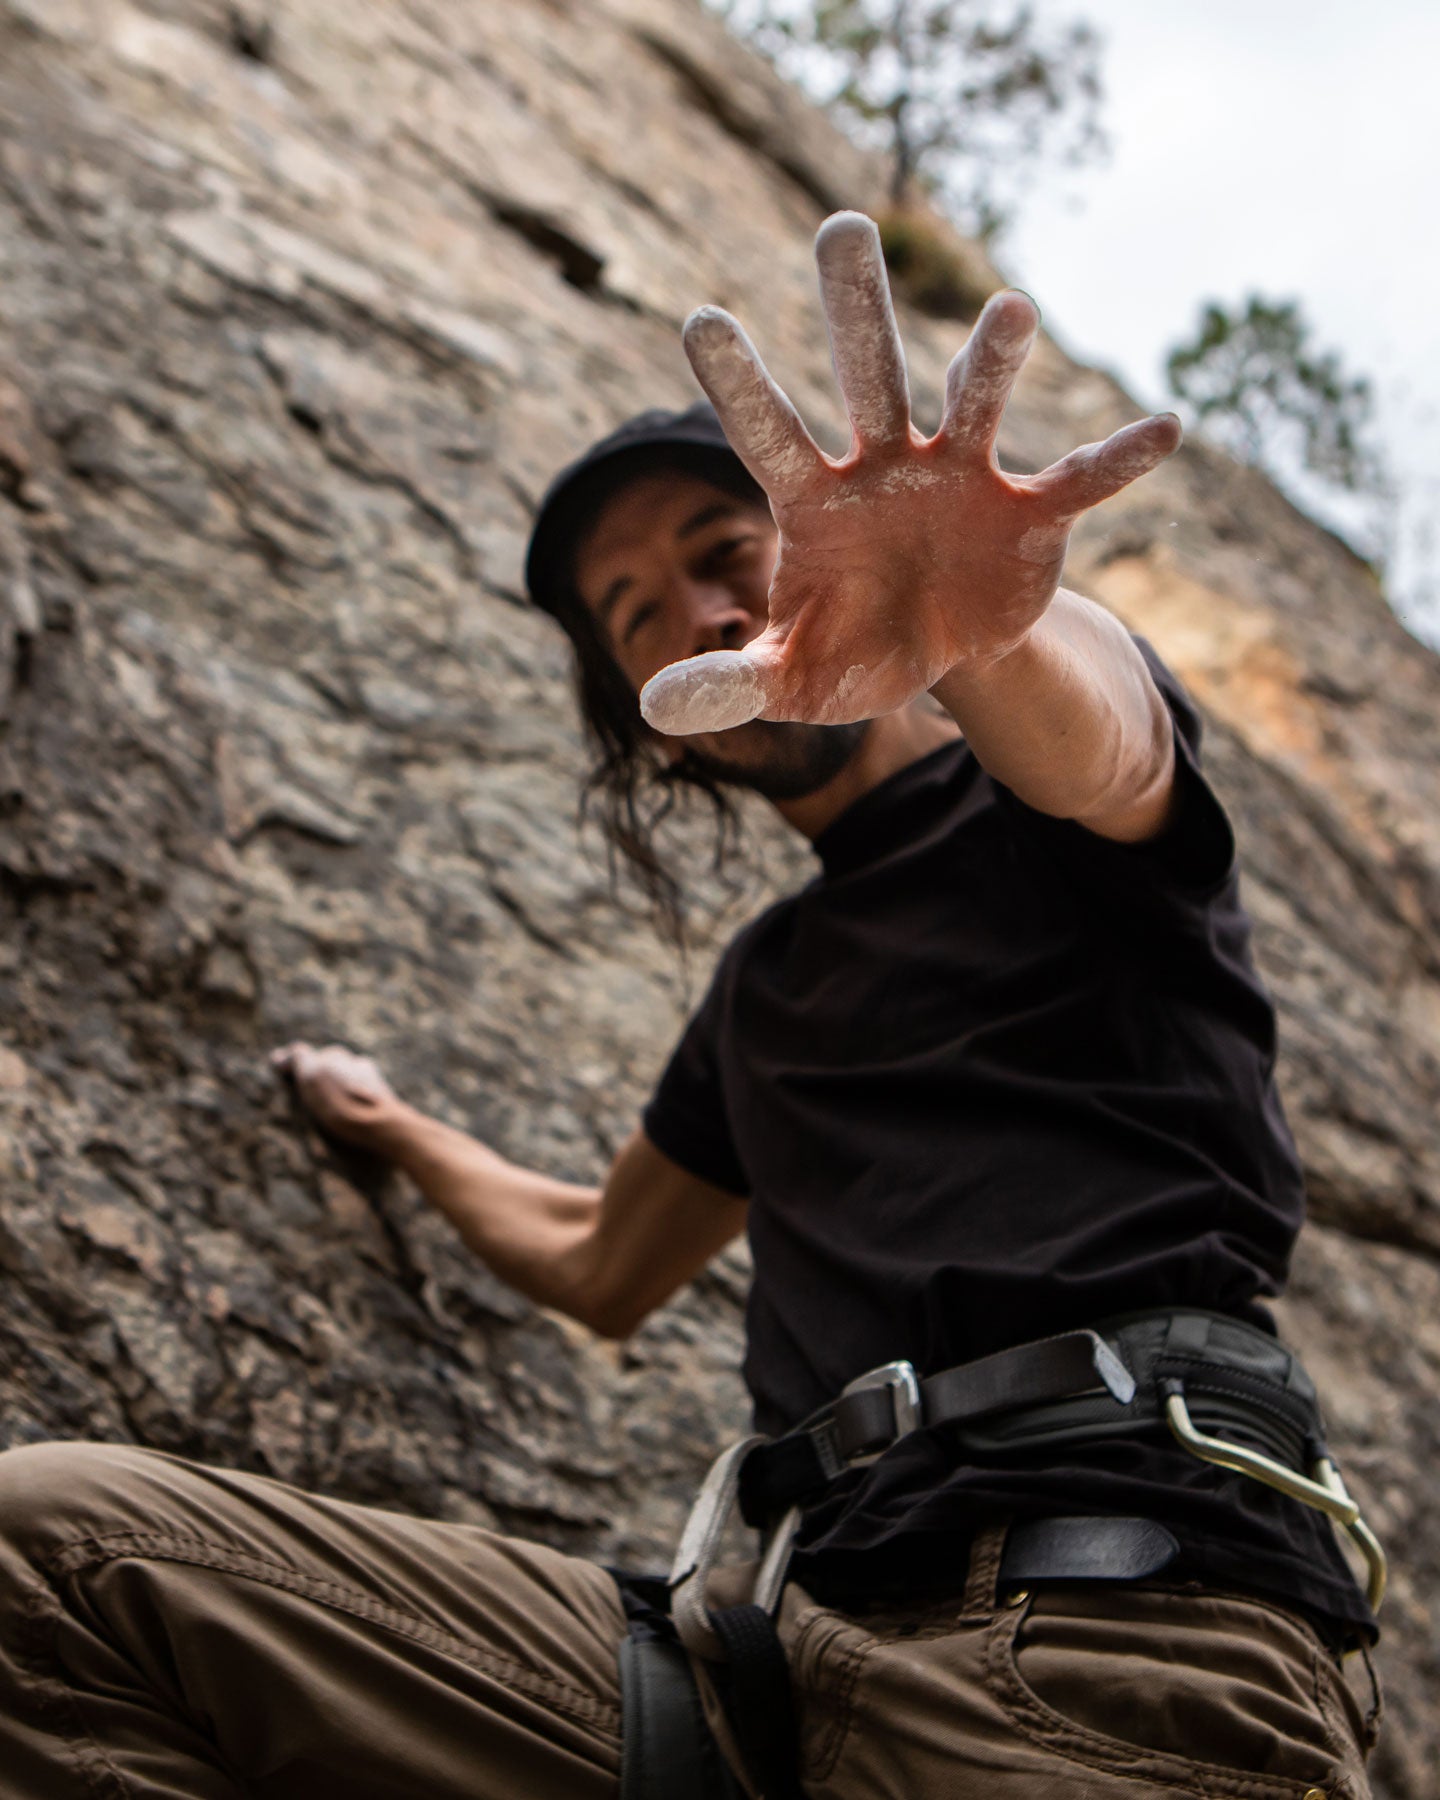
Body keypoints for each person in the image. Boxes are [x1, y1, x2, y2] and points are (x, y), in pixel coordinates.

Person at [0, 214, 1382, 1798]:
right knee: (57, 1560)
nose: (701, 613)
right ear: (659, 730)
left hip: (1105, 1631)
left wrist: (980, 627)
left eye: (727, 554)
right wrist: (389, 1128)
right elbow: (600, 1261)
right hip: (759, 1679)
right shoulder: (765, 998)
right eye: (638, 612)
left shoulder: (1047, 814)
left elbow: (1114, 747)